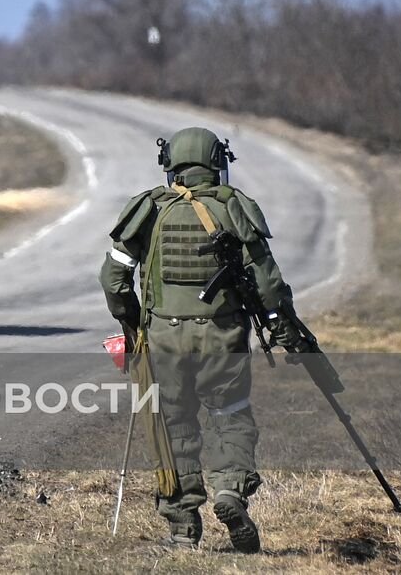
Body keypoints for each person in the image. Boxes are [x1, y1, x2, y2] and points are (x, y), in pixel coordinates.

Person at [99, 126, 306, 552]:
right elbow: (268, 285)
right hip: (222, 337)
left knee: (173, 425)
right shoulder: (235, 208)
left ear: (170, 164)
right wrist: (285, 330)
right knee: (229, 414)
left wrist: (134, 324)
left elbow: (114, 278)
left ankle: (182, 529)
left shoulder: (149, 210)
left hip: (164, 340)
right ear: (217, 162)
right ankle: (230, 492)